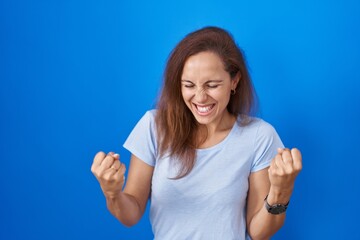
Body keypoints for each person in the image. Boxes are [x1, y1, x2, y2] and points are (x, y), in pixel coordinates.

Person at [91, 26, 302, 240]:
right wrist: (112, 193)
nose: (200, 98)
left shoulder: (259, 136)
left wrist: (281, 190)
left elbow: (259, 233)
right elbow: (131, 214)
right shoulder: (153, 126)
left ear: (234, 81)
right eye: (189, 85)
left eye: (212, 85)